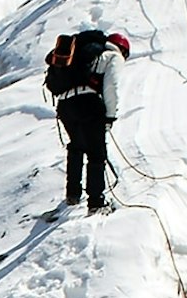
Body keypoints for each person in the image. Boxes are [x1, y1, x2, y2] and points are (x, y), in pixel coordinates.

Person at [45, 27, 132, 215]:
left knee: (76, 146)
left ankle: (73, 194)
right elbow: (111, 86)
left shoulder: (86, 54)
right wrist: (109, 116)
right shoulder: (113, 56)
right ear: (122, 49)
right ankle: (96, 202)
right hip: (87, 102)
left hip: (65, 104)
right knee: (96, 152)